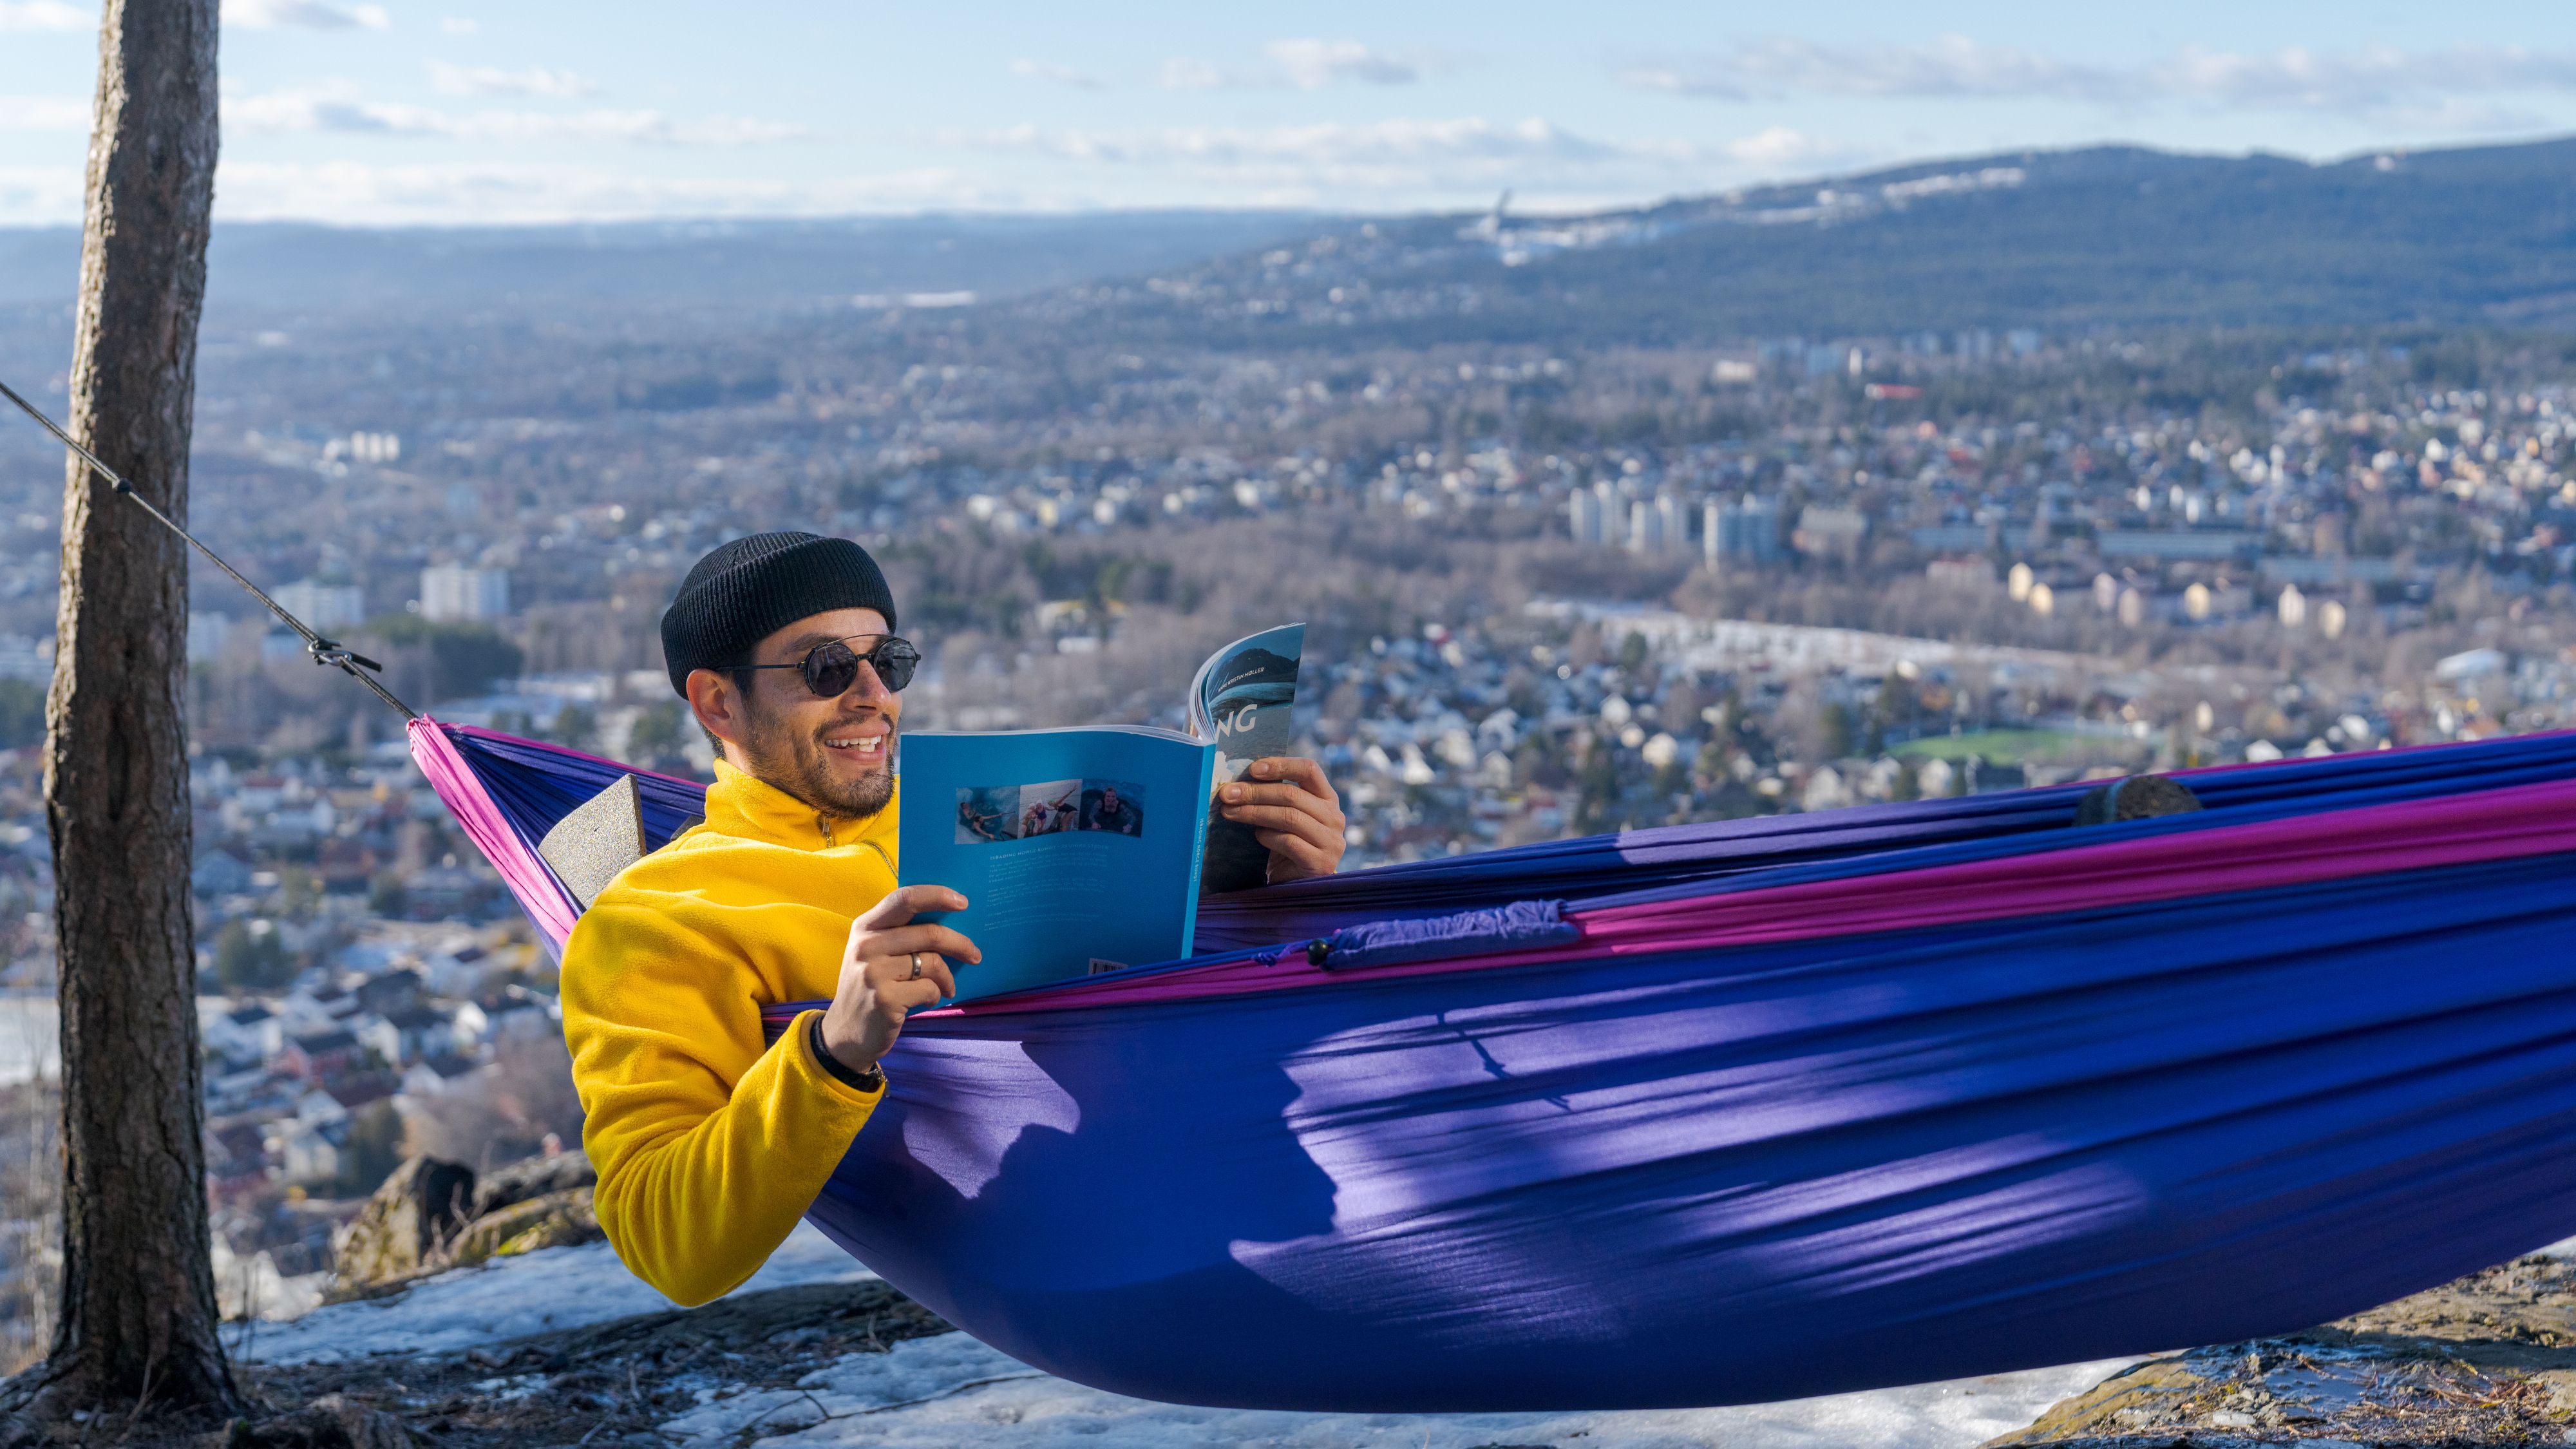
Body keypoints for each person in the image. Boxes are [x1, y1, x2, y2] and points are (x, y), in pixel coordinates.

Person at [558, 531, 1347, 1306]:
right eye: (825, 666)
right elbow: (664, 1245)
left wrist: (1277, 898)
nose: (871, 694)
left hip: (1212, 1219)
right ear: (717, 701)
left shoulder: (960, 818)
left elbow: (1180, 1013)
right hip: (1006, 1276)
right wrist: (833, 1052)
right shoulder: (657, 921)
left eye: (887, 660)